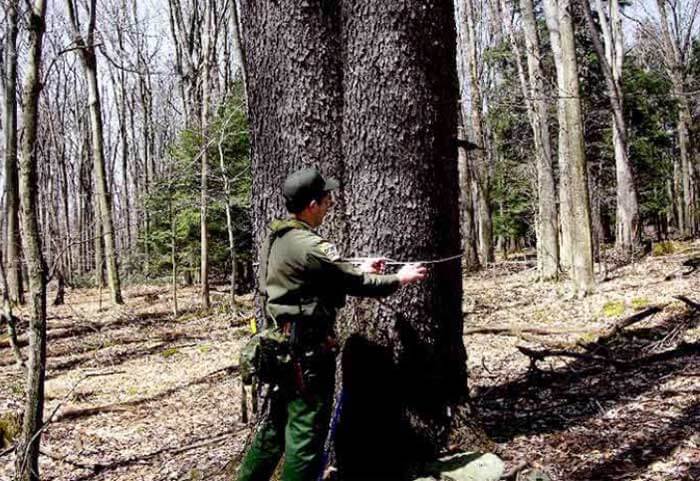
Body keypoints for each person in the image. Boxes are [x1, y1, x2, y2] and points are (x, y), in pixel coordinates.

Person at [236, 167, 427, 481]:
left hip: (281, 349)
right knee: (305, 436)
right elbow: (352, 282)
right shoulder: (311, 246)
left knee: (274, 428)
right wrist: (398, 278)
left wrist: (358, 266)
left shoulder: (280, 237)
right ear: (312, 205)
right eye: (327, 200)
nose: (331, 205)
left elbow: (313, 278)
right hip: (306, 354)